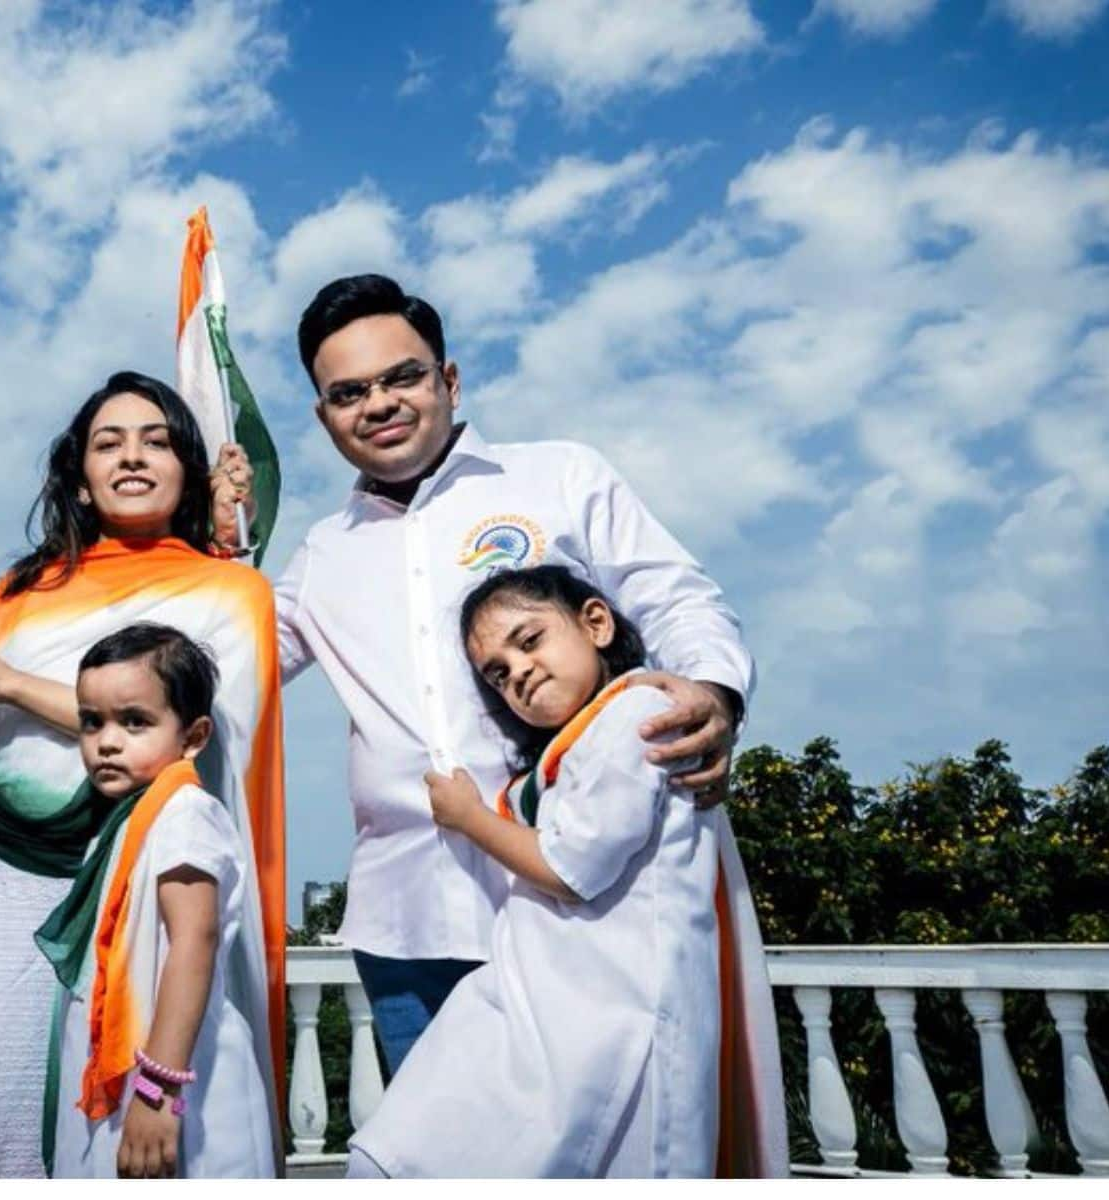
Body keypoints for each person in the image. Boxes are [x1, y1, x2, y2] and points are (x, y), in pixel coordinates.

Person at [263, 274, 756, 1071]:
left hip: (587, 899)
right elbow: (218, 670)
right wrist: (208, 552)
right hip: (407, 930)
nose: (379, 403)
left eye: (402, 376)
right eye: (349, 392)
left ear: (448, 380)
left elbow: (677, 597)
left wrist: (714, 688)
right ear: (325, 418)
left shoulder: (560, 476)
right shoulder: (321, 557)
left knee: (599, 1153)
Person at [0, 372, 285, 1178]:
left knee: (86, 1131)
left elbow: (196, 734)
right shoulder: (21, 592)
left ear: (188, 470)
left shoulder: (232, 591)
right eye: (107, 443)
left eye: (156, 440)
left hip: (122, 887)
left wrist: (3, 679)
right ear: (78, 481)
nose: (131, 456)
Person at [345, 565, 786, 1177]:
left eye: (529, 641)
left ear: (596, 623)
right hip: (554, 1008)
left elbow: (571, 867)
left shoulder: (639, 714)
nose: (517, 672)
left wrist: (469, 817)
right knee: (397, 1151)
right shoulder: (580, 742)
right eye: (497, 673)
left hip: (608, 1016)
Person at [37, 623, 278, 1179]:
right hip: (137, 1085)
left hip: (175, 1085)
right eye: (91, 721)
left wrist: (157, 1090)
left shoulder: (185, 814)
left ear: (193, 738)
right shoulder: (125, 824)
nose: (108, 740)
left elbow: (194, 941)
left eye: (135, 721)